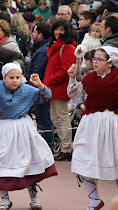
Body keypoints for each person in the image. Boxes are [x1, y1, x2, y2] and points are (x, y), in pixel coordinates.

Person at [67, 46, 118, 210]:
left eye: (99, 59)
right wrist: (72, 78)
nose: (95, 62)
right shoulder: (89, 77)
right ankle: (94, 201)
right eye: (94, 59)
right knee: (84, 161)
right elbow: (73, 93)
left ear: (111, 62)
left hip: (113, 123)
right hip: (90, 124)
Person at [0, 63, 58, 210]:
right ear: (4, 77)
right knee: (0, 165)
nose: (15, 80)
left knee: (28, 164)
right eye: (11, 77)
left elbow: (46, 96)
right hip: (2, 130)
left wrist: (40, 85)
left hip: (23, 130)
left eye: (18, 77)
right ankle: (5, 200)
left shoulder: (27, 89)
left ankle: (34, 199)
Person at [42, 19, 77, 161]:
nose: (58, 32)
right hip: (53, 87)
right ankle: (65, 147)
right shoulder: (58, 46)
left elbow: (65, 70)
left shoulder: (67, 47)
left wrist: (50, 81)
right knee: (56, 119)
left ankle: (66, 149)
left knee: (61, 119)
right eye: (56, 29)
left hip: (59, 88)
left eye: (61, 30)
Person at [26, 21, 54, 149]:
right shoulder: (41, 48)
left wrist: (30, 84)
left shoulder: (42, 50)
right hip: (38, 88)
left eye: (35, 31)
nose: (33, 34)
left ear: (40, 35)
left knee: (43, 119)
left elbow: (37, 72)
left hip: (38, 89)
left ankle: (47, 146)